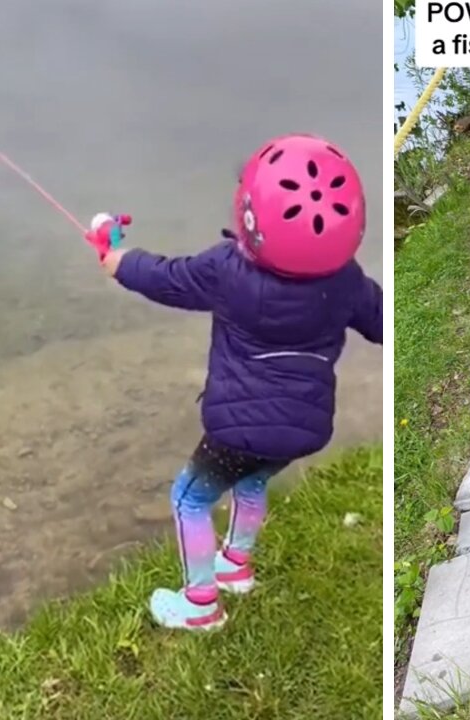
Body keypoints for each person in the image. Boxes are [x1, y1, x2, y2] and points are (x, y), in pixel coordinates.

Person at [84, 133, 383, 629]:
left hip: (236, 428)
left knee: (189, 498)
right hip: (305, 429)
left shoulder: (226, 270)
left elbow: (164, 277)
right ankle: (235, 566)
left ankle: (201, 604)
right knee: (251, 479)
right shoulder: (348, 282)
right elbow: (383, 324)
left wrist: (114, 257)